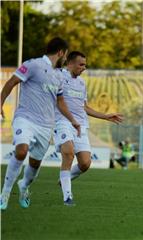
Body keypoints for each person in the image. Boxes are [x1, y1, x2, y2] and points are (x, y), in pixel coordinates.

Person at [0, 37, 81, 210]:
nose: (65, 59)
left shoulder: (58, 76)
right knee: (21, 150)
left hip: (46, 126)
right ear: (60, 52)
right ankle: (4, 193)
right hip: (25, 118)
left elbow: (60, 102)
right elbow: (11, 82)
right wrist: (0, 102)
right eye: (65, 55)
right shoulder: (33, 65)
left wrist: (73, 120)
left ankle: (24, 186)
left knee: (34, 165)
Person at [53, 51, 123, 206]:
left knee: (85, 163)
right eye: (81, 64)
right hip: (63, 122)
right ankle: (67, 197)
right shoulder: (59, 76)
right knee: (68, 154)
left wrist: (105, 116)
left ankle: (65, 178)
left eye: (85, 64)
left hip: (80, 125)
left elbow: (84, 107)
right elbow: (56, 99)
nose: (84, 68)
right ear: (70, 63)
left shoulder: (82, 83)